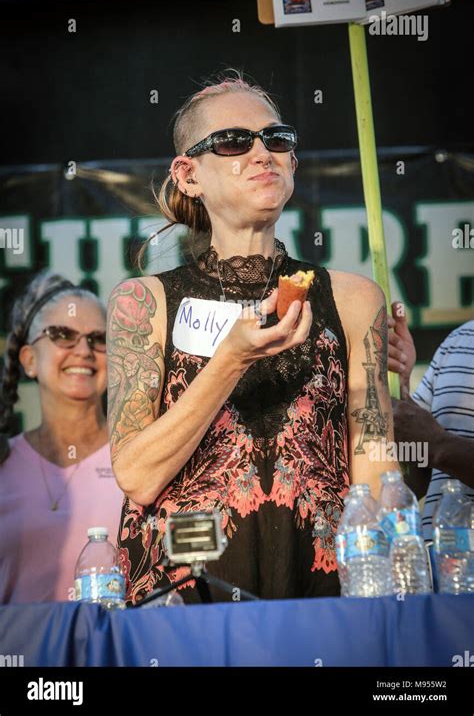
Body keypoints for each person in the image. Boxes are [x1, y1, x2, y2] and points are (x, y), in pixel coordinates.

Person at [107, 71, 400, 605]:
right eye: (233, 141)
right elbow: (136, 475)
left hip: (325, 596)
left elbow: (377, 472)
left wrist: (382, 599)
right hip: (186, 596)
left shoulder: (356, 299)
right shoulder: (142, 303)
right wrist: (231, 359)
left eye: (278, 138)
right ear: (188, 174)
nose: (262, 152)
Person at [0, 272, 124, 603]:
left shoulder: (139, 457)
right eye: (62, 334)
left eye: (99, 339)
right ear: (29, 359)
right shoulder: (3, 465)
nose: (83, 350)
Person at [388, 302, 474, 539]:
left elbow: (433, 444)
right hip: (440, 567)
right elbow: (415, 478)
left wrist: (438, 445)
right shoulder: (461, 338)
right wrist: (395, 387)